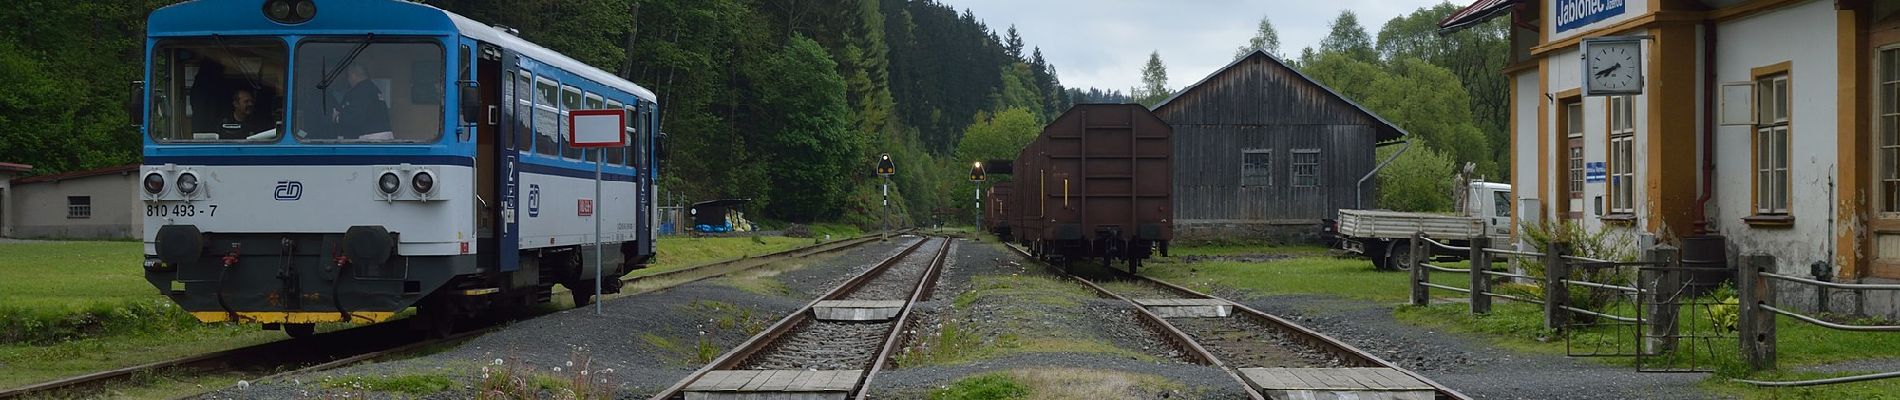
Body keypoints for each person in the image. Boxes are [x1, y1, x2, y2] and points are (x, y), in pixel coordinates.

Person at [329, 64, 392, 139]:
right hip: (381, 137)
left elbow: (355, 116)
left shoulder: (361, 90)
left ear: (353, 75)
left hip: (370, 139)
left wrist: (337, 117)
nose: (348, 80)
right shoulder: (373, 88)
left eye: (348, 76)